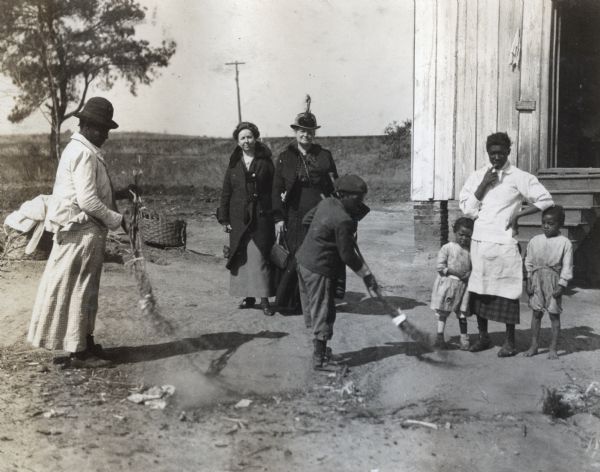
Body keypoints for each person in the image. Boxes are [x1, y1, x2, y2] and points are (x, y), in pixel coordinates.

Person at [27, 97, 129, 368]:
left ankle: (83, 342)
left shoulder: (80, 149)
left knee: (82, 289)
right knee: (81, 290)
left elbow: (89, 193)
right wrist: (118, 220)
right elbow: (88, 201)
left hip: (79, 230)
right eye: (103, 129)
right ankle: (79, 352)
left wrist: (119, 193)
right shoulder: (83, 153)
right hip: (81, 231)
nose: (106, 135)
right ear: (88, 126)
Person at [459, 132, 554, 357]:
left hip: (504, 243)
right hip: (480, 241)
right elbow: (468, 210)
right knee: (480, 290)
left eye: (501, 153)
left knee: (507, 293)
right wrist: (483, 184)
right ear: (487, 153)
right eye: (493, 153)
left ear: (509, 152)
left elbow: (546, 199)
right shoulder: (477, 176)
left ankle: (510, 342)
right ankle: (483, 337)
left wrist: (518, 215)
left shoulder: (519, 176)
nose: (497, 157)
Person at [296, 174, 377, 369]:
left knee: (314, 309)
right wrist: (366, 275)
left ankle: (320, 349)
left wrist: (323, 237)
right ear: (344, 195)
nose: (360, 203)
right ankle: (319, 357)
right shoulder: (343, 220)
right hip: (319, 268)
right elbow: (347, 255)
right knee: (324, 310)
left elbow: (307, 220)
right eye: (358, 198)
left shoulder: (328, 203)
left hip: (303, 262)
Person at [272, 96, 338, 313]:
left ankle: (315, 300)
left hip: (319, 214)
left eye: (309, 132)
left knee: (317, 257)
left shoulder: (324, 156)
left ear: (314, 134)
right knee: (295, 256)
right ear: (295, 132)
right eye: (301, 131)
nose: (305, 135)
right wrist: (279, 218)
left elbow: (333, 187)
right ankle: (290, 301)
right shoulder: (285, 157)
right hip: (293, 214)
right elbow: (276, 189)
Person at [218, 122, 275, 316]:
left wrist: (275, 215)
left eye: (249, 137)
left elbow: (274, 189)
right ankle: (248, 296)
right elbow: (226, 192)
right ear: (237, 141)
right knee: (242, 257)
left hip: (261, 216)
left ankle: (265, 299)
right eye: (242, 138)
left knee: (260, 257)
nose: (246, 141)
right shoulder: (234, 162)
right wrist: (224, 219)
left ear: (256, 137)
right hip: (238, 218)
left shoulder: (265, 161)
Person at [524, 205, 573, 359]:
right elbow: (528, 262)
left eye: (551, 223)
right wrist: (528, 281)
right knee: (536, 313)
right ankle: (534, 345)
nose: (546, 226)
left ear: (560, 224)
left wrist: (562, 285)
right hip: (536, 279)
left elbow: (567, 266)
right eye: (544, 222)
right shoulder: (534, 241)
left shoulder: (565, 243)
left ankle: (553, 348)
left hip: (553, 280)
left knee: (554, 315)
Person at [430, 217, 474, 350]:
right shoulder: (447, 248)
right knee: (443, 311)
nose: (464, 239)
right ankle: (439, 337)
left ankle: (464, 338)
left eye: (468, 236)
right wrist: (456, 273)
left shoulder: (471, 251)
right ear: (454, 231)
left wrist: (470, 273)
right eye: (461, 234)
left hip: (464, 286)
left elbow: (474, 266)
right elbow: (440, 267)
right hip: (448, 286)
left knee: (462, 312)